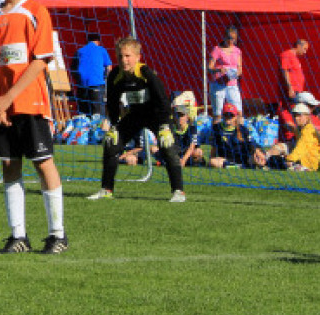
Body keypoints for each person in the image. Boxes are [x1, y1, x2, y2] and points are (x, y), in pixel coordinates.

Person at [0, 0, 68, 253]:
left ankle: (57, 234)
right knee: (9, 165)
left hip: (30, 104)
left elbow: (39, 61)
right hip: (4, 106)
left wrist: (7, 98)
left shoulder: (36, 11)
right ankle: (19, 235)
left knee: (44, 163)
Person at [89, 36, 186, 203]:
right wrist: (114, 125)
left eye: (127, 56)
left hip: (156, 115)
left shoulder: (147, 74)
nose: (124, 60)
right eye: (120, 56)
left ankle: (178, 192)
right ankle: (106, 190)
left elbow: (163, 100)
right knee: (112, 142)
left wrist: (164, 126)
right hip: (135, 116)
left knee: (167, 144)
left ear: (137, 57)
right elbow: (112, 103)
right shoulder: (114, 76)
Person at [208, 26, 243, 116]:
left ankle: (239, 129)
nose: (231, 41)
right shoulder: (217, 49)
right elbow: (209, 68)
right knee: (218, 113)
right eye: (229, 38)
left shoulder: (237, 51)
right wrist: (219, 70)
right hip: (218, 85)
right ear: (224, 37)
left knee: (238, 112)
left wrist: (237, 73)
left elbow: (240, 68)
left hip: (232, 84)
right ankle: (216, 128)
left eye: (233, 39)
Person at [208, 103, 256, 168]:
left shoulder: (243, 129)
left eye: (231, 115)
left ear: (235, 117)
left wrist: (255, 156)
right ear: (222, 115)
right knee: (212, 162)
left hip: (243, 158)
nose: (228, 118)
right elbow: (214, 147)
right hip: (225, 159)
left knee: (256, 159)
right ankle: (239, 166)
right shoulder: (217, 128)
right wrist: (211, 159)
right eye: (226, 115)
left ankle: (242, 164)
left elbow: (252, 145)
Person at [74, 34, 112, 116]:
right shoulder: (102, 50)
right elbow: (109, 67)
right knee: (97, 112)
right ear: (98, 42)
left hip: (82, 85)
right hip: (97, 83)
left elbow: (73, 68)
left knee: (83, 112)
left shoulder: (80, 51)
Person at [282, 103, 320, 171]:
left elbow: (301, 148)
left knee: (281, 162)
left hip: (309, 163)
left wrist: (290, 159)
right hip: (306, 160)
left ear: (307, 117)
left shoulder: (308, 131)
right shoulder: (302, 129)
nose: (296, 118)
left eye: (299, 116)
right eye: (295, 116)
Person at [279, 39, 310, 103]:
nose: (305, 52)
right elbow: (285, 71)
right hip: (293, 90)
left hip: (297, 90)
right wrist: (290, 88)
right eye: (304, 49)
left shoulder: (295, 57)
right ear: (298, 46)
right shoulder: (287, 55)